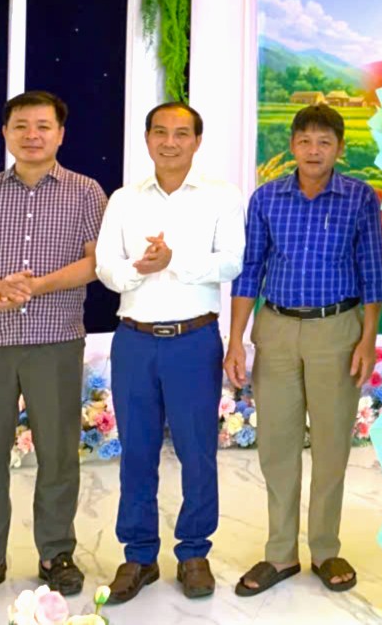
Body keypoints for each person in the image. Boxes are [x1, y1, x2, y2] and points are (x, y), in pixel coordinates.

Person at [0, 91, 106, 611]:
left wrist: (37, 286)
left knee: (58, 453)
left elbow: (97, 262)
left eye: (43, 126)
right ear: (5, 133)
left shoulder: (87, 192)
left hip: (56, 339)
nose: (33, 135)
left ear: (61, 134)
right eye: (21, 126)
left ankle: (56, 554)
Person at [224, 104, 382, 596]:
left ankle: (325, 548)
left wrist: (367, 340)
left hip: (336, 330)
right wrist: (236, 338)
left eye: (324, 142)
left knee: (332, 444)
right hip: (275, 329)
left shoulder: (359, 197)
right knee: (276, 444)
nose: (314, 150)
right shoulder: (267, 198)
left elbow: (373, 273)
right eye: (305, 141)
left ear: (339, 148)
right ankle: (280, 553)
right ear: (292, 145)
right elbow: (249, 270)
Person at [95, 103, 245, 603]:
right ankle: (139, 555)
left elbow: (232, 262)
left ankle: (194, 553)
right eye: (160, 132)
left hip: (193, 340)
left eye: (182, 133)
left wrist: (174, 261)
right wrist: (138, 268)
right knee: (136, 451)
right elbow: (105, 267)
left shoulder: (222, 196)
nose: (170, 142)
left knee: (197, 452)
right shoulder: (123, 199)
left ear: (197, 141)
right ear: (147, 139)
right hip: (134, 340)